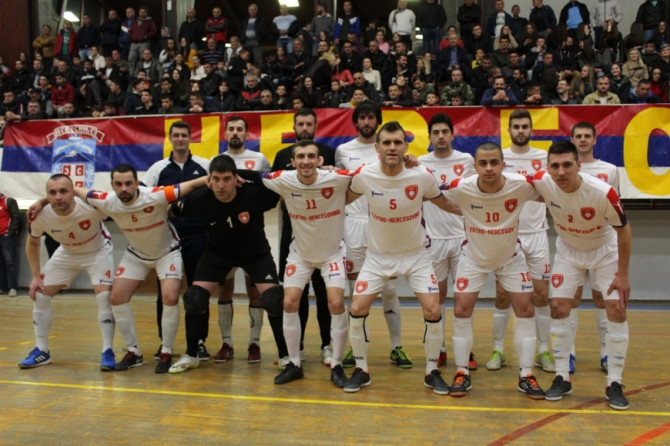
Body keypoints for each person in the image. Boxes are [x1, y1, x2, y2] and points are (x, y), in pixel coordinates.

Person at [343, 121, 460, 395]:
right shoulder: (365, 175)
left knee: (433, 310)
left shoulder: (421, 175)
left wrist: (478, 213)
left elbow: (445, 202)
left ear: (406, 147)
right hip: (377, 257)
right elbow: (341, 198)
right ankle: (361, 369)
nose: (392, 147)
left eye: (398, 142)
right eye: (387, 142)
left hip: (416, 257)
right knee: (357, 308)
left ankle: (431, 371)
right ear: (377, 147)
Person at [76, 164, 207, 373]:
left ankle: (166, 352)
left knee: (170, 297)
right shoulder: (107, 200)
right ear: (112, 186)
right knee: (116, 298)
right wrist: (42, 201)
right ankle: (134, 352)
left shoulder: (155, 195)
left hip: (167, 253)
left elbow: (190, 185)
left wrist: (213, 178)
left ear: (137, 183)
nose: (124, 188)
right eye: (119, 184)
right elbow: (76, 190)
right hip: (136, 255)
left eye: (129, 183)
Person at [530, 140, 631, 411]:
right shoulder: (542, 182)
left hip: (604, 251)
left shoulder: (602, 192)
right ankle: (562, 376)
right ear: (547, 167)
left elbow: (624, 230)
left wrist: (623, 275)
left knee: (616, 309)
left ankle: (614, 382)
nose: (561, 172)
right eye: (555, 166)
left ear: (578, 165)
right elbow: (506, 183)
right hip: (569, 252)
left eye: (567, 165)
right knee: (558, 306)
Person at [241, 141, 349, 387]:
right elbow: (255, 176)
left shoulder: (337, 178)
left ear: (320, 161)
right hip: (300, 254)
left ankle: (337, 365)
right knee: (289, 302)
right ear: (293, 161)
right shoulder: (284, 179)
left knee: (335, 303)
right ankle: (294, 363)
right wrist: (227, 172)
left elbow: (367, 174)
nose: (306, 161)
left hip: (332, 254)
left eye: (311, 156)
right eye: (300, 157)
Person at [442, 141, 545, 399]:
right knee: (461, 309)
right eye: (483, 163)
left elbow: (551, 193)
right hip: (473, 258)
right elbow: (431, 193)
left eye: (494, 163)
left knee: (526, 309)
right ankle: (462, 372)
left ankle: (526, 374)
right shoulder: (461, 187)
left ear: (503, 164)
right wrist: (462, 211)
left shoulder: (520, 185)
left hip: (510, 258)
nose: (489, 168)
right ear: (475, 166)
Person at [167, 154, 281, 374]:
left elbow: (276, 184)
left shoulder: (253, 194)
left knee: (274, 300)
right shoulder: (201, 198)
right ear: (209, 180)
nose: (221, 185)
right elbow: (170, 209)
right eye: (216, 179)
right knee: (194, 298)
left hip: (255, 253)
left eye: (227, 179)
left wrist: (246, 175)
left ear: (235, 179)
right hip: (218, 255)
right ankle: (192, 354)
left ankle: (283, 355)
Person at [335, 102, 413, 369]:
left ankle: (397, 347)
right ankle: (358, 348)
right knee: (357, 290)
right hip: (353, 225)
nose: (367, 122)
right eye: (362, 118)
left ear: (377, 121)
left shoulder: (390, 148)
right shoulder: (343, 151)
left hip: (384, 223)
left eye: (371, 117)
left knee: (389, 288)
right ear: (356, 121)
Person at [481, 110, 554, 375]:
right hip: (508, 234)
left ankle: (543, 350)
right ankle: (498, 350)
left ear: (531, 130)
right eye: (516, 126)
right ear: (509, 130)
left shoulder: (544, 158)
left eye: (524, 126)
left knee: (541, 294)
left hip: (537, 234)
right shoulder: (499, 158)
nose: (520, 130)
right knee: (502, 294)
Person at [20, 175, 114, 369]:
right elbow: (33, 243)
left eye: (63, 191)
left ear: (73, 192)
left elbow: (112, 202)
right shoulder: (40, 216)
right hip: (67, 252)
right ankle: (42, 350)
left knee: (104, 297)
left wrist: (43, 200)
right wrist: (36, 277)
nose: (58, 197)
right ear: (47, 195)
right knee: (40, 294)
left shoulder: (91, 206)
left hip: (98, 251)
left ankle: (107, 351)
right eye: (52, 193)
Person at [141, 121, 210, 362]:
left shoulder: (204, 166)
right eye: (176, 135)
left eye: (184, 135)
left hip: (197, 236)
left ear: (191, 138)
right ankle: (165, 342)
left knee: (198, 291)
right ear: (170, 138)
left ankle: (199, 342)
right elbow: (143, 197)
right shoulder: (157, 169)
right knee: (165, 293)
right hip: (167, 238)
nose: (180, 139)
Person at [272, 108, 334, 367]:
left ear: (316, 126)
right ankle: (297, 347)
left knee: (324, 293)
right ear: (294, 127)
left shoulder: (329, 153)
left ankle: (327, 345)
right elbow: (274, 192)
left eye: (309, 123)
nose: (305, 128)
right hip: (293, 231)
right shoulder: (281, 156)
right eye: (301, 124)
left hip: (323, 233)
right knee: (296, 293)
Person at [215, 116, 276, 364]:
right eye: (231, 129)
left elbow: (268, 189)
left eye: (239, 129)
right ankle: (226, 342)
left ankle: (254, 343)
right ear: (225, 133)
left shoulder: (259, 159)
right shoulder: (216, 161)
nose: (235, 132)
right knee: (225, 290)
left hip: (252, 236)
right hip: (225, 238)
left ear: (246, 134)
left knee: (255, 291)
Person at [418, 113, 475, 368]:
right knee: (436, 298)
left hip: (462, 238)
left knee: (464, 298)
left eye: (445, 132)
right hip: (433, 239)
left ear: (453, 134)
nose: (440, 136)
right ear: (430, 137)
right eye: (436, 132)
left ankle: (467, 350)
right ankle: (438, 347)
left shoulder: (466, 160)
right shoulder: (420, 163)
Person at [566, 122, 620, 375]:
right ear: (572, 139)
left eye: (587, 136)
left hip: (603, 244)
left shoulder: (609, 170)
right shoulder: (564, 169)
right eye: (578, 136)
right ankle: (568, 353)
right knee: (572, 298)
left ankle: (607, 353)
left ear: (595, 139)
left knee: (602, 298)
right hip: (573, 243)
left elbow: (617, 211)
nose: (583, 139)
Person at [0, 190, 20, 297]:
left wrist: (10, 232)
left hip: (6, 237)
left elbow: (16, 217)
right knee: (1, 263)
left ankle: (13, 287)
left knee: (10, 261)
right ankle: (3, 287)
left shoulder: (9, 201)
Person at [127, 6, 157, 77]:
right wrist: (131, 37)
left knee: (143, 59)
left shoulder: (150, 22)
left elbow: (153, 32)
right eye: (141, 12)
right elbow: (130, 30)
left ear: (146, 13)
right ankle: (131, 76)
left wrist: (146, 36)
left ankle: (142, 75)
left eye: (143, 12)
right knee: (131, 59)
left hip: (144, 43)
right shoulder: (134, 21)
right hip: (134, 43)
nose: (142, 13)